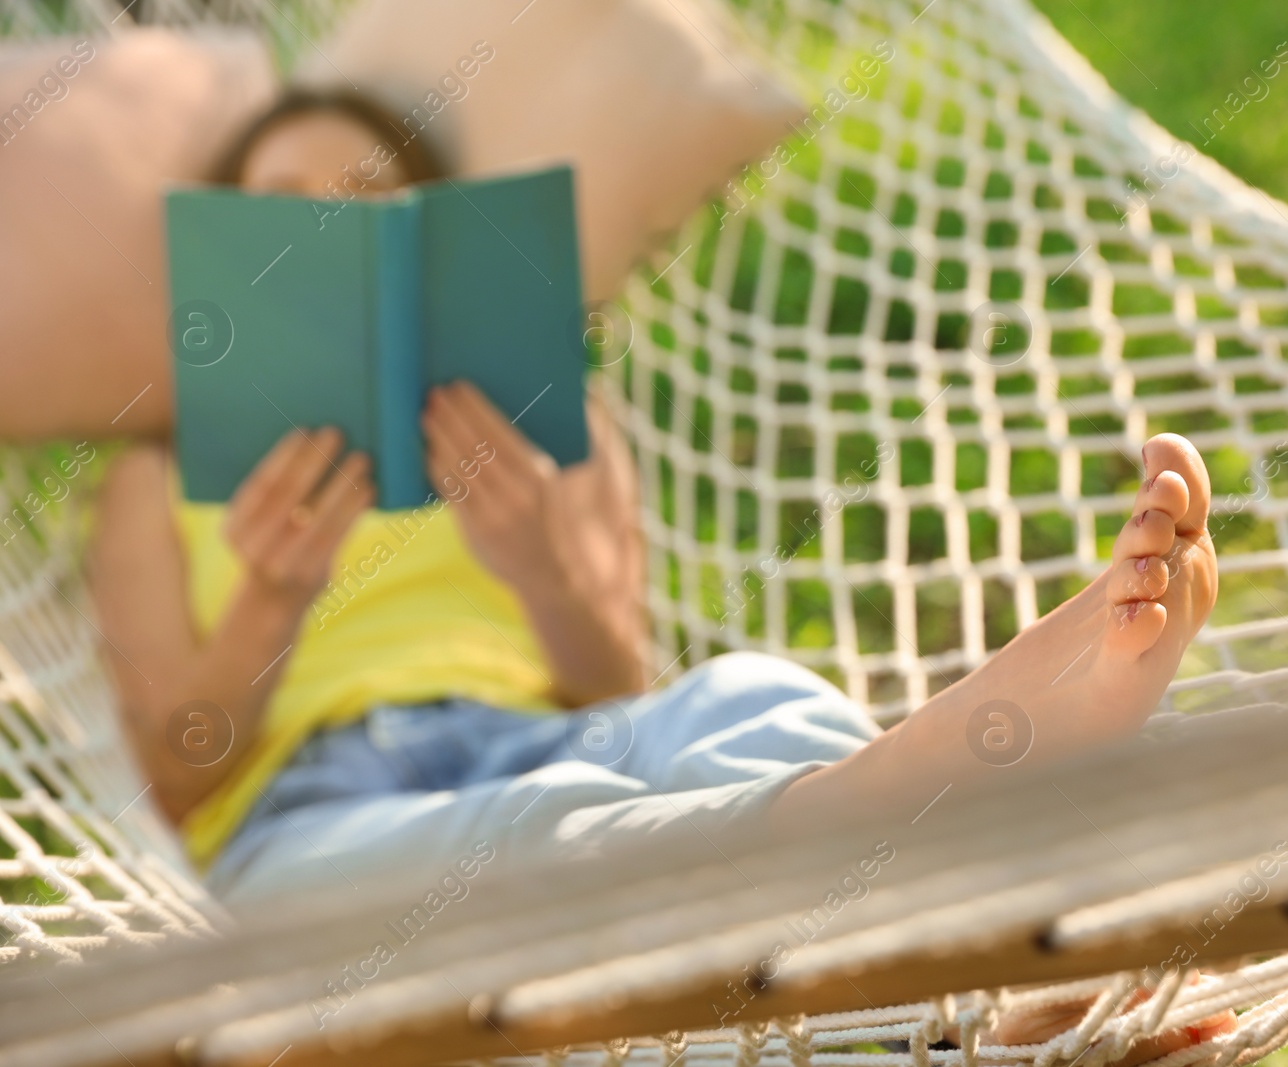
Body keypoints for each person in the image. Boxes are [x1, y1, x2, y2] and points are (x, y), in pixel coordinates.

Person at [88, 91, 1226, 1051]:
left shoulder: (544, 415)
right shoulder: (166, 466)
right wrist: (273, 598)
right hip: (308, 818)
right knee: (548, 822)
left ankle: (934, 987)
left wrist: (538, 567)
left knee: (754, 697)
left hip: (548, 731)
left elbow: (618, 682)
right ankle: (933, 901)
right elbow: (175, 786)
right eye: (287, 206)